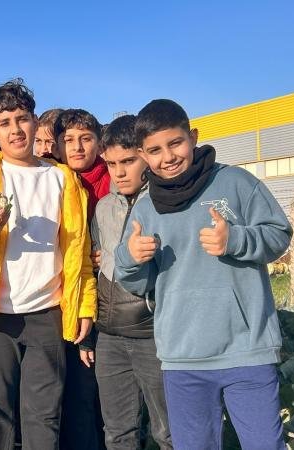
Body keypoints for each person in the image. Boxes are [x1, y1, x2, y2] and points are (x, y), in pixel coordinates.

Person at [115, 99, 291, 449]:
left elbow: (278, 234)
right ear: (143, 155)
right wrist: (131, 259)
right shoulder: (146, 208)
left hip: (247, 350)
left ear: (193, 137)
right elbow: (137, 282)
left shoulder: (235, 182)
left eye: (175, 143)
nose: (168, 157)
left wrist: (236, 240)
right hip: (182, 357)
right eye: (155, 150)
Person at [0, 79, 96, 450]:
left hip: (47, 313)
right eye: (5, 123)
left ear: (34, 121)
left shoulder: (63, 179)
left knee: (44, 414)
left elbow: (79, 252)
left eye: (22, 119)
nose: (15, 129)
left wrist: (84, 306)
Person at [83, 115, 171, 450]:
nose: (119, 172)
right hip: (110, 337)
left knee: (168, 432)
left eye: (128, 161)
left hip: (155, 336)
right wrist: (89, 335)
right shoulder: (103, 207)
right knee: (118, 433)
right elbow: (96, 267)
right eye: (112, 164)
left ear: (145, 156)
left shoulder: (167, 203)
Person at [53, 107, 109, 450]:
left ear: (99, 143)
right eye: (68, 139)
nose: (77, 147)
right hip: (62, 298)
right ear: (57, 146)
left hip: (108, 297)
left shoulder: (113, 179)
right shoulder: (51, 180)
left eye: (85, 139)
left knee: (98, 395)